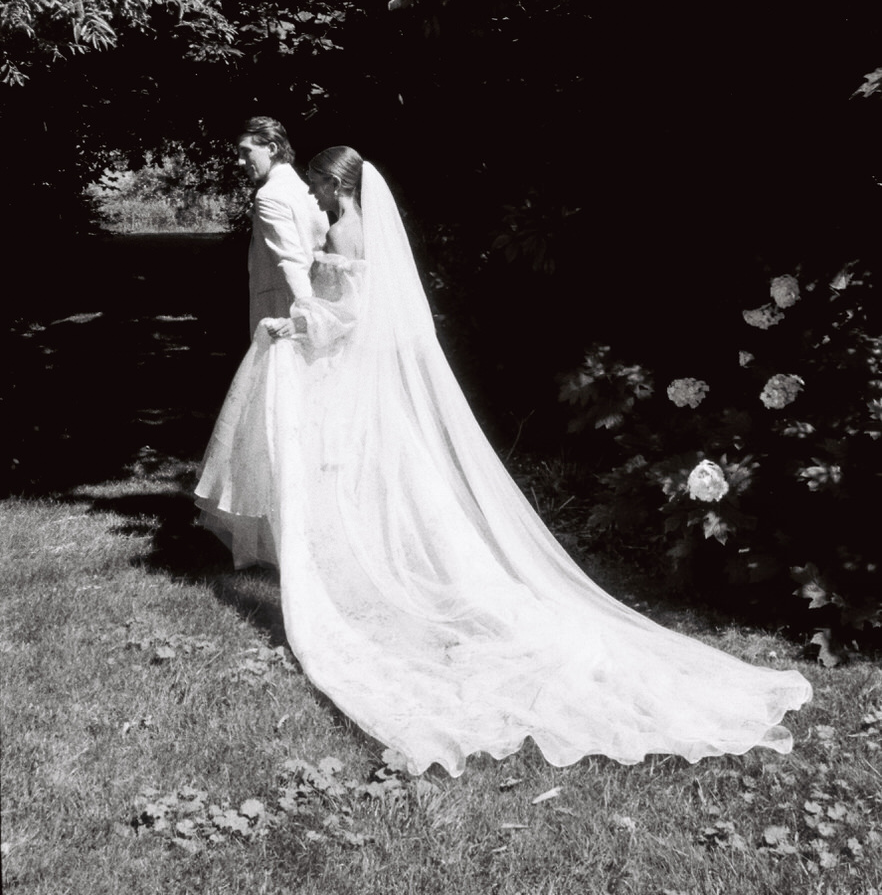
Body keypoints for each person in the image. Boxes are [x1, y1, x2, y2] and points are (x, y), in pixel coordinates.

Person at [196, 147, 812, 777]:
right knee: (382, 481)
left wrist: (298, 328)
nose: (317, 198)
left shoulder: (350, 229)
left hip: (349, 371)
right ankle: (377, 555)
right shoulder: (353, 226)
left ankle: (377, 569)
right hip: (355, 376)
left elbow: (355, 316)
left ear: (334, 184)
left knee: (363, 476)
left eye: (321, 187)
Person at [236, 116, 328, 338]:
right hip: (317, 298)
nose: (239, 161)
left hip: (283, 311)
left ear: (272, 148)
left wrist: (307, 319)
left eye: (246, 152)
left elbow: (291, 261)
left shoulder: (269, 195)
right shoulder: (303, 188)